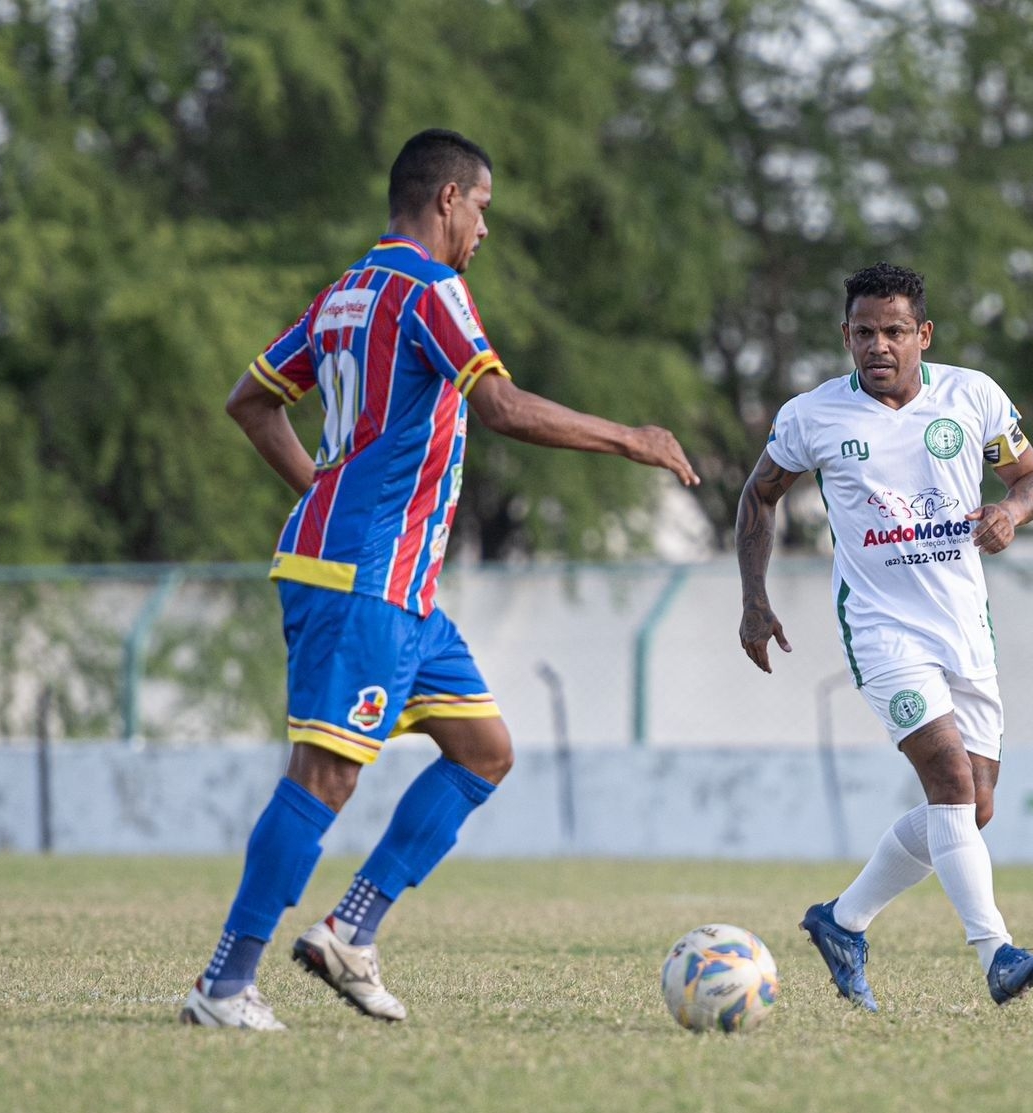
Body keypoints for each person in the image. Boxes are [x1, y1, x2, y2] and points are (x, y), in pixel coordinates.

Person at [181, 128, 699, 1030]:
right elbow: (501, 406)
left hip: (394, 584)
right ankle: (224, 986)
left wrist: (325, 494)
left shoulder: (345, 294)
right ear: (448, 199)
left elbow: (249, 400)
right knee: (324, 775)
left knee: (483, 750)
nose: (485, 230)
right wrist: (632, 438)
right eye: (483, 208)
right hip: (364, 580)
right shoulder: (431, 289)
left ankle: (349, 931)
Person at [736, 261, 1033, 1010]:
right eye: (865, 333)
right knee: (948, 783)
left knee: (973, 808)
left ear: (924, 334)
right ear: (845, 335)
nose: (879, 346)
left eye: (895, 331)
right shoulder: (812, 416)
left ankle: (843, 921)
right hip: (881, 630)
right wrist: (754, 600)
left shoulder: (972, 397)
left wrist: (1012, 512)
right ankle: (996, 954)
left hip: (964, 627)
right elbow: (759, 495)